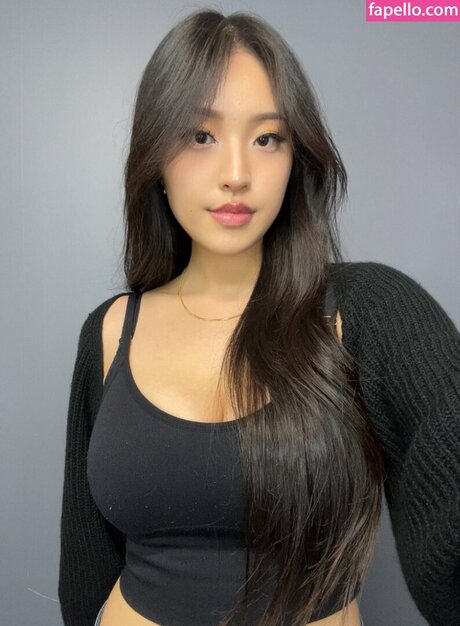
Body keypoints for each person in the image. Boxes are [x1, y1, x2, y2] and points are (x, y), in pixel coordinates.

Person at [58, 8, 460, 626]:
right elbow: (84, 568)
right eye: (201, 135)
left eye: (267, 138)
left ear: (296, 158)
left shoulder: (369, 313)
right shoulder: (110, 331)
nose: (236, 175)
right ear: (155, 157)